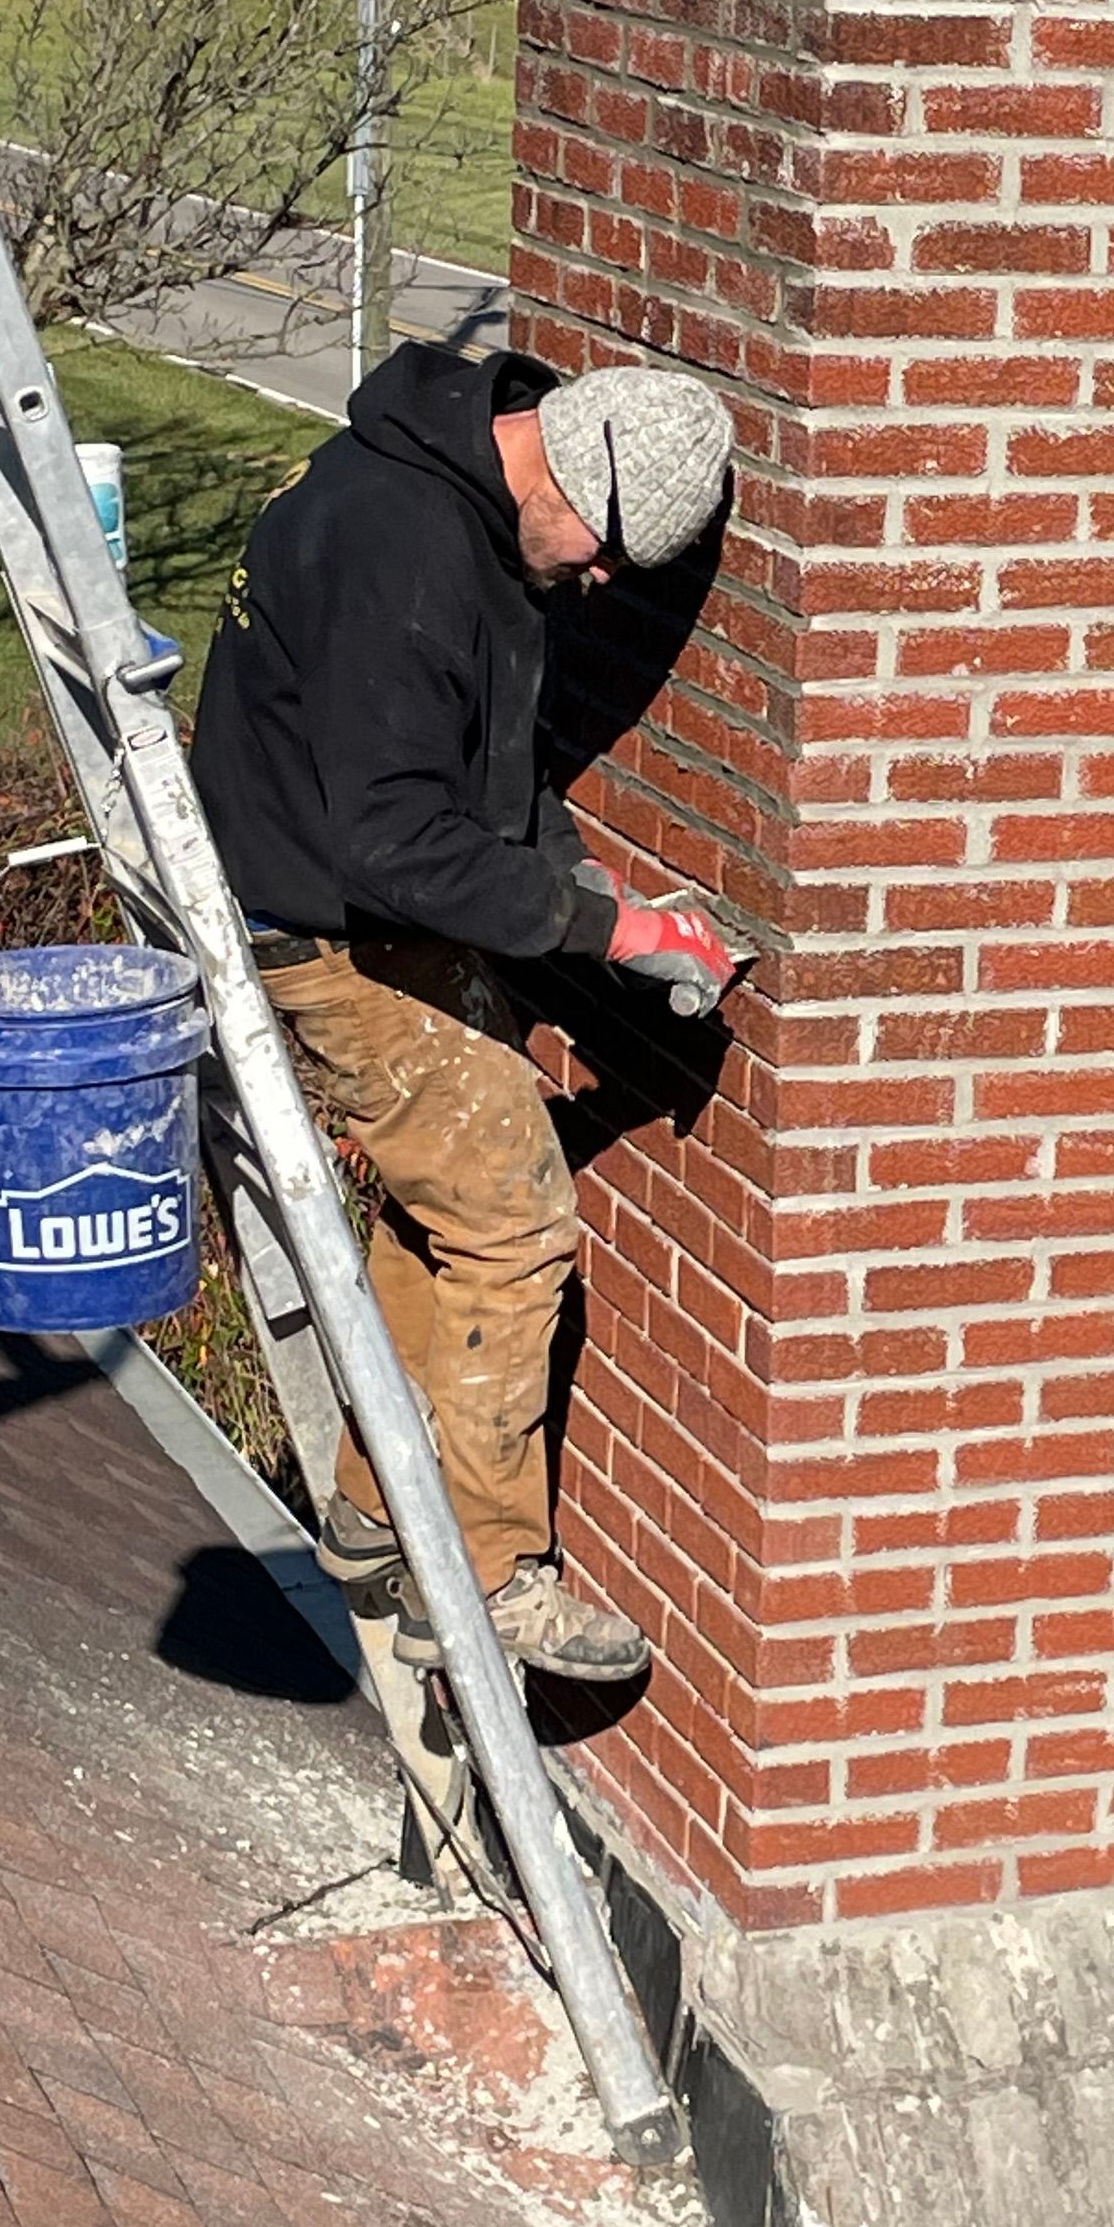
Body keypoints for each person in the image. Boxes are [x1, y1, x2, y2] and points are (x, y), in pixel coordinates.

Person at [191, 344, 734, 1674]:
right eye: (604, 554)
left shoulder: (467, 494)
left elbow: (468, 773)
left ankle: (376, 1511)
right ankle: (489, 1583)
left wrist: (575, 882)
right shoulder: (409, 559)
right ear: (561, 459)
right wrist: (612, 927)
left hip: (349, 894)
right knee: (514, 1219)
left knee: (440, 1199)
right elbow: (394, 844)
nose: (600, 584)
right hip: (320, 925)